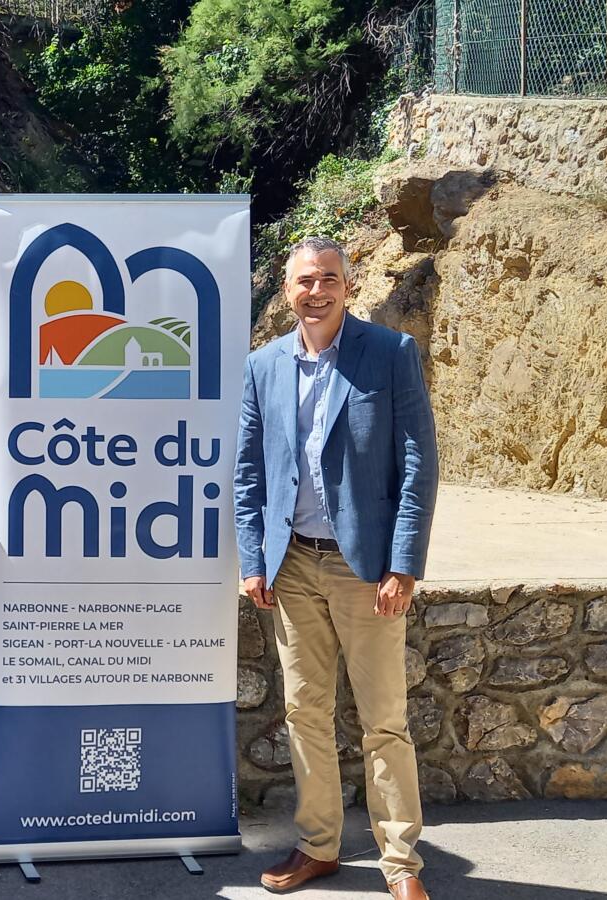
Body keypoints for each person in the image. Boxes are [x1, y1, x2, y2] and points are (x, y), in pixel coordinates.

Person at [233, 237, 438, 900]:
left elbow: (417, 465)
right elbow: (248, 473)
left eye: (328, 279)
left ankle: (401, 864)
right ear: (287, 291)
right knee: (305, 713)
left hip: (365, 568)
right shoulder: (263, 366)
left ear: (347, 286)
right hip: (292, 566)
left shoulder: (389, 353)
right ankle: (318, 845)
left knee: (384, 720)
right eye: (303, 281)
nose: (315, 292)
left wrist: (403, 564)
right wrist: (253, 558)